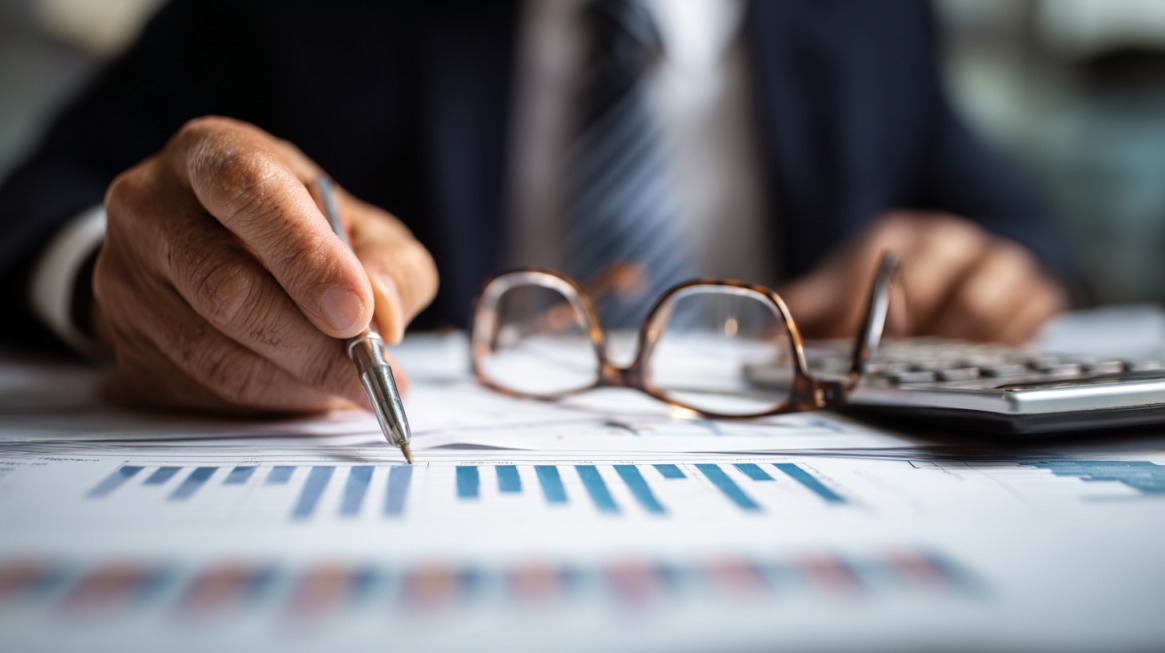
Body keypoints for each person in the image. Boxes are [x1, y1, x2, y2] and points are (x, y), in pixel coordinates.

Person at [0, 0, 1071, 414]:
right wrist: (122, 278)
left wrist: (970, 266)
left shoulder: (874, 22)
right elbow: (44, 203)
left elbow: (1015, 232)